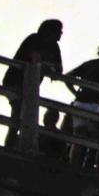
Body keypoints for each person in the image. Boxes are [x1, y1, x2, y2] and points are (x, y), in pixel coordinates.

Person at [5, 19, 65, 152]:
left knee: (23, 115)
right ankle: (11, 148)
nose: (61, 34)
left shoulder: (54, 47)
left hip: (31, 86)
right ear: (50, 31)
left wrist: (48, 66)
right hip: (15, 81)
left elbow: (59, 68)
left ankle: (16, 147)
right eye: (59, 31)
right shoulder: (34, 39)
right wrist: (48, 66)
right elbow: (34, 59)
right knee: (18, 114)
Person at [64, 41, 99, 171]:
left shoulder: (90, 63)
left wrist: (76, 92)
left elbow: (68, 77)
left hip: (81, 102)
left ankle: (73, 167)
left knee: (79, 138)